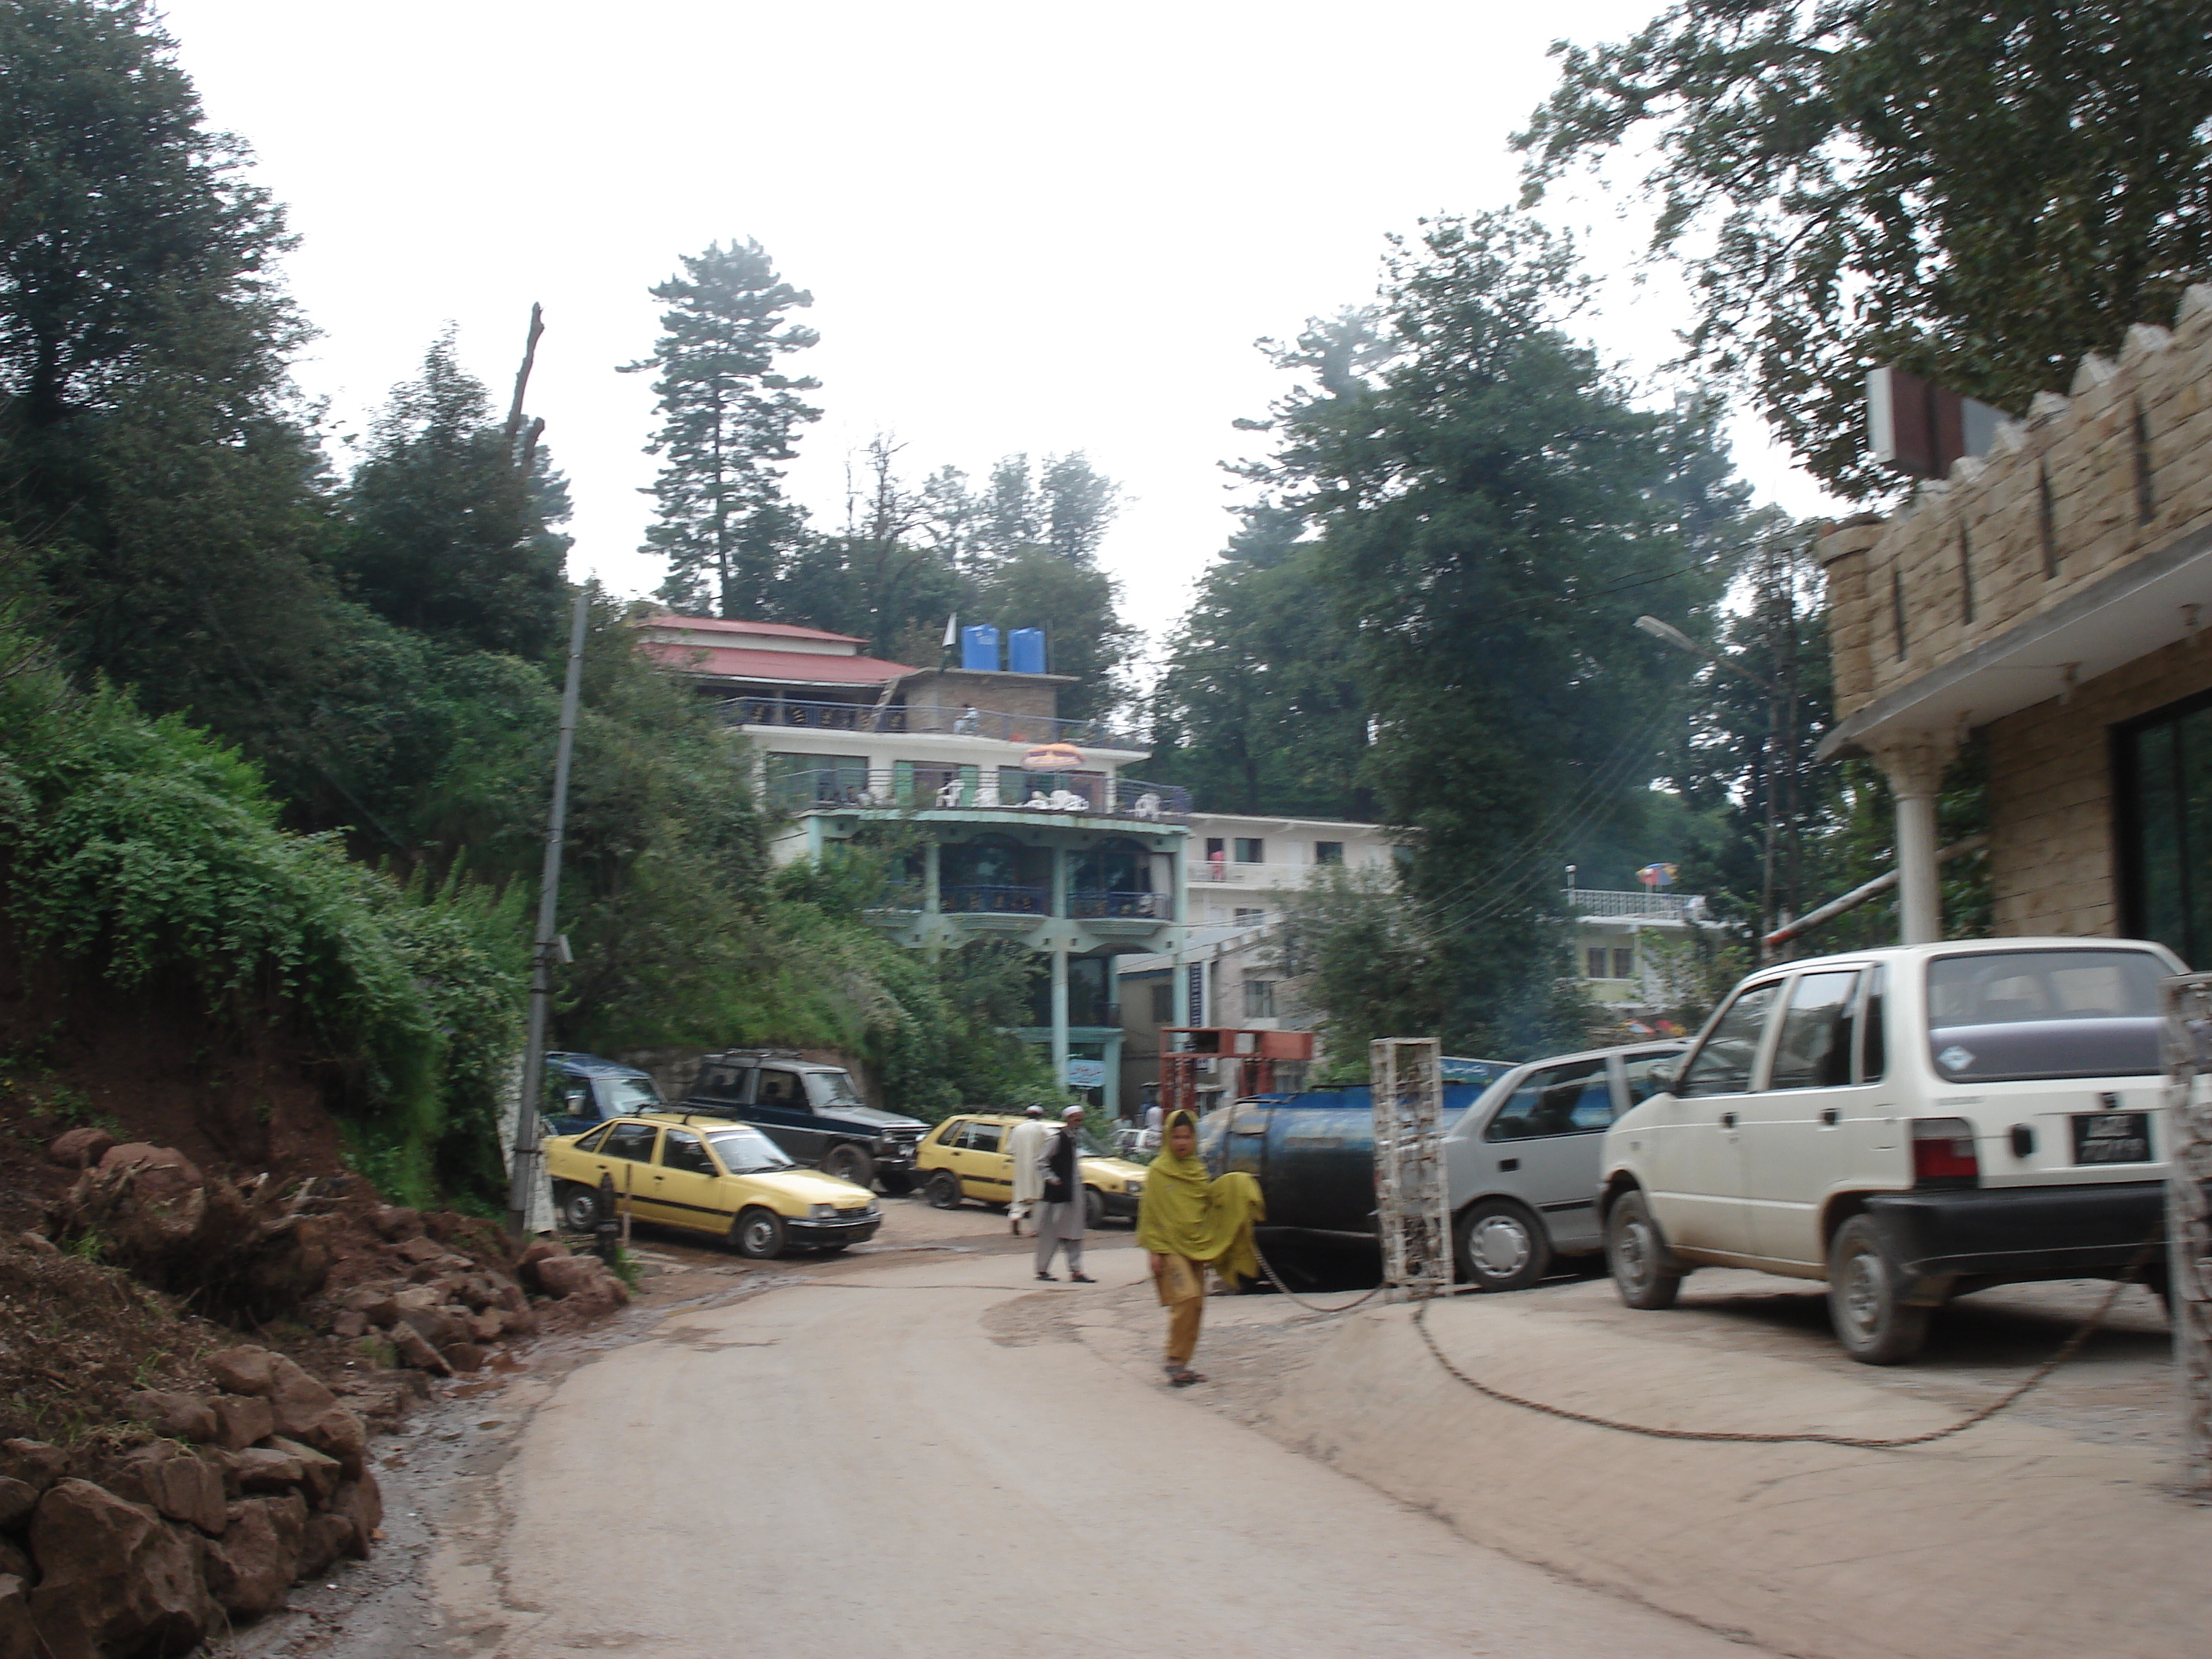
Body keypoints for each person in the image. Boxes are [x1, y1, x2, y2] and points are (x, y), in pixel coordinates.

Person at [1135, 1108, 1263, 1386]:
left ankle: (1181, 1364)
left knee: (1197, 1306)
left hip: (1196, 1244)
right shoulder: (1158, 1171)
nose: (1182, 1142)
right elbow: (1150, 1213)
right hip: (1169, 1248)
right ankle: (1172, 1359)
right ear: (1168, 1138)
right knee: (1188, 1297)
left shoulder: (1197, 1169)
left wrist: (1236, 1187)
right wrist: (1153, 1251)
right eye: (1176, 1137)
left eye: (1187, 1136)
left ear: (1194, 1138)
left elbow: (1207, 1203)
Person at [1033, 1105, 1093, 1282]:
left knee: (1075, 1233)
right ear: (1068, 1119)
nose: (1078, 1122)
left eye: (1080, 1119)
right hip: (1058, 1195)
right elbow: (1041, 1161)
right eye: (1075, 1119)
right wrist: (1053, 1180)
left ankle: (1076, 1270)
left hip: (1073, 1193)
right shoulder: (1057, 1139)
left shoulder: (1076, 1139)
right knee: (1051, 1232)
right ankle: (1042, 1270)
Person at [1006, 1104, 1048, 1236]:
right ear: (1040, 1116)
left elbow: (1010, 1149)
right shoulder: (1043, 1129)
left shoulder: (1018, 1129)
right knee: (1039, 1198)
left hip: (1021, 1169)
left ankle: (1015, 1217)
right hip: (1038, 1169)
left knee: (1020, 1197)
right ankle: (1036, 1229)